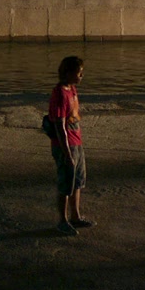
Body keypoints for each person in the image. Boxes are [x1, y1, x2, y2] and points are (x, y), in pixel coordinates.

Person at [48, 55, 94, 235]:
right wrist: (66, 152)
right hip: (66, 146)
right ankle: (62, 221)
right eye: (78, 73)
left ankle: (75, 216)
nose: (81, 76)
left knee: (77, 181)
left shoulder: (72, 89)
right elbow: (59, 125)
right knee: (66, 183)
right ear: (67, 73)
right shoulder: (60, 94)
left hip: (76, 142)